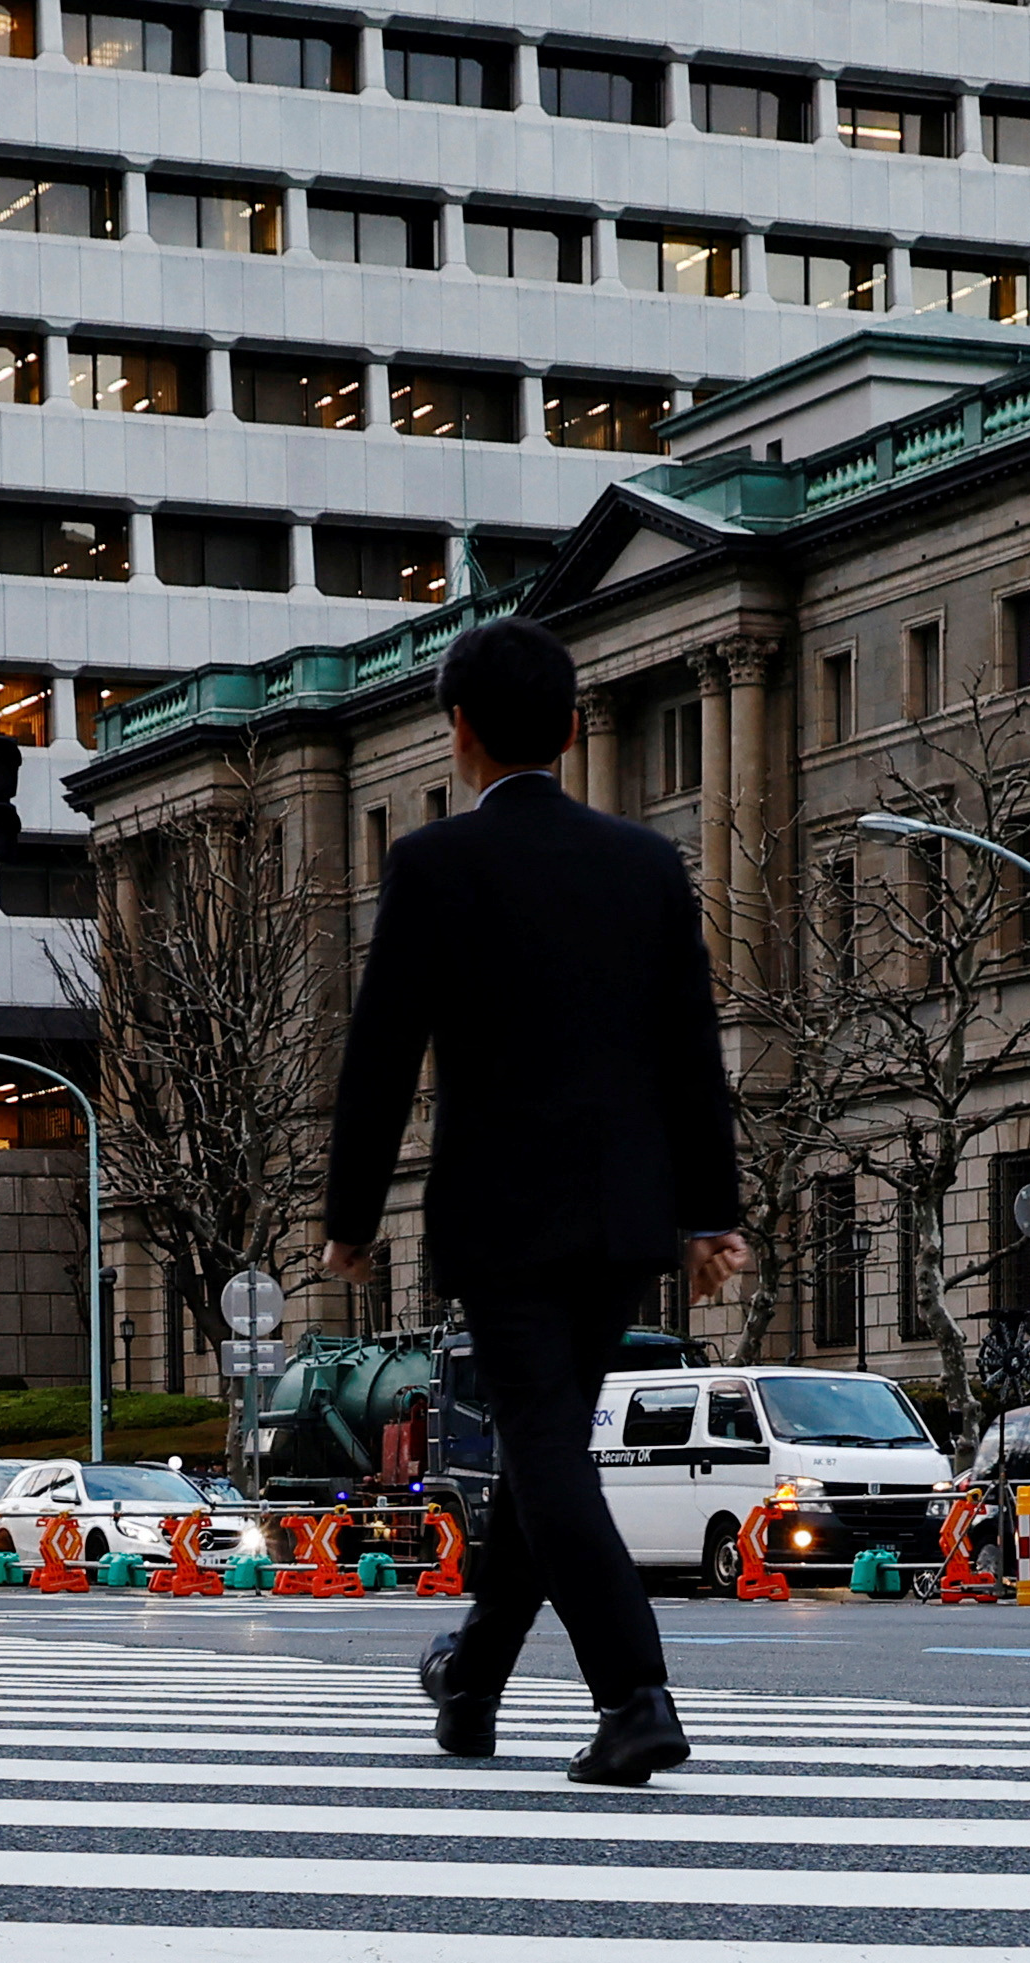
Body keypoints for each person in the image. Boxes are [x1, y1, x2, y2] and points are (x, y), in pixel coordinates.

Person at [318, 618, 745, 1788]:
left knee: (545, 1447)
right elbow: (688, 1053)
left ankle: (633, 1694)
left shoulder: (434, 865)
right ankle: (473, 1676)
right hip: (623, 1217)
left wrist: (349, 1219)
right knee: (540, 1450)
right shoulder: (646, 863)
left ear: (456, 732)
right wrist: (712, 1214)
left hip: (499, 1214)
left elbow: (380, 1051)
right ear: (568, 728)